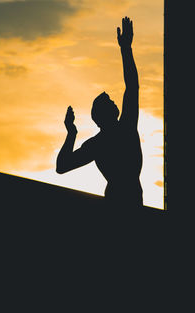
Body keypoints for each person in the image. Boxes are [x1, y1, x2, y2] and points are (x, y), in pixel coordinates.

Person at [56, 17, 143, 209]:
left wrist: (71, 133)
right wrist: (126, 49)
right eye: (110, 102)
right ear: (104, 115)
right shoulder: (124, 128)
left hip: (122, 200)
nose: (114, 102)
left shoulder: (98, 143)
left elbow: (62, 166)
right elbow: (61, 168)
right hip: (125, 201)